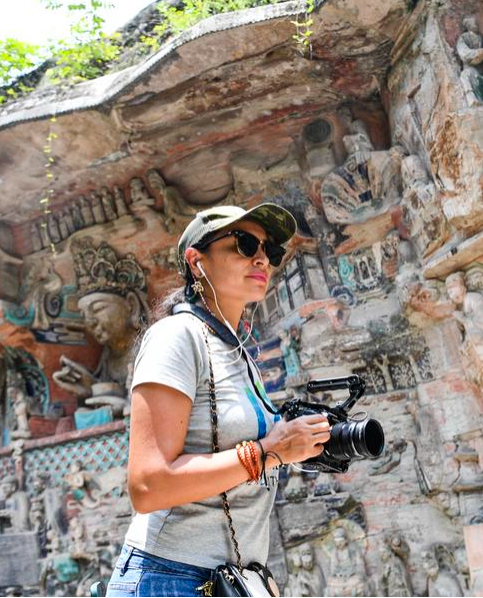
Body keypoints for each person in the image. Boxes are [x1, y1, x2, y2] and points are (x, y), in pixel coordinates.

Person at [106, 203, 331, 597]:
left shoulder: (237, 350)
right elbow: (148, 485)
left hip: (231, 579)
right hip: (169, 578)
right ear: (197, 261)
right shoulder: (176, 336)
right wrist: (270, 451)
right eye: (244, 244)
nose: (262, 259)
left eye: (270, 251)